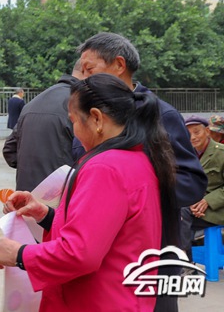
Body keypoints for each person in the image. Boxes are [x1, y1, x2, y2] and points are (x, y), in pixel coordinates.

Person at [0, 73, 178, 311]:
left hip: (96, 300)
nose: (74, 131)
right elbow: (103, 230)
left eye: (74, 121)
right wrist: (45, 215)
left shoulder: (105, 167)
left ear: (97, 118)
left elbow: (80, 253)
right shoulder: (136, 159)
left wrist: (20, 255)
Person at [74, 32, 206, 312]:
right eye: (81, 72)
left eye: (89, 69)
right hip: (100, 247)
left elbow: (192, 182)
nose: (82, 79)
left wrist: (136, 189)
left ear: (119, 65)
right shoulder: (91, 115)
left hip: (150, 254)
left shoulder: (161, 116)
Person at [3, 61, 83, 192]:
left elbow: (9, 150)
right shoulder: (83, 104)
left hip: (26, 196)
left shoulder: (33, 103)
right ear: (88, 68)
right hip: (62, 197)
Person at [180, 115, 224, 261]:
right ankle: (183, 260)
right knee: (172, 213)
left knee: (181, 215)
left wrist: (207, 201)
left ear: (207, 131)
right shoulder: (186, 155)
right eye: (188, 134)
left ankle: (183, 260)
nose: (193, 137)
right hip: (194, 208)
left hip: (218, 208)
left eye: (197, 132)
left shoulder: (221, 153)